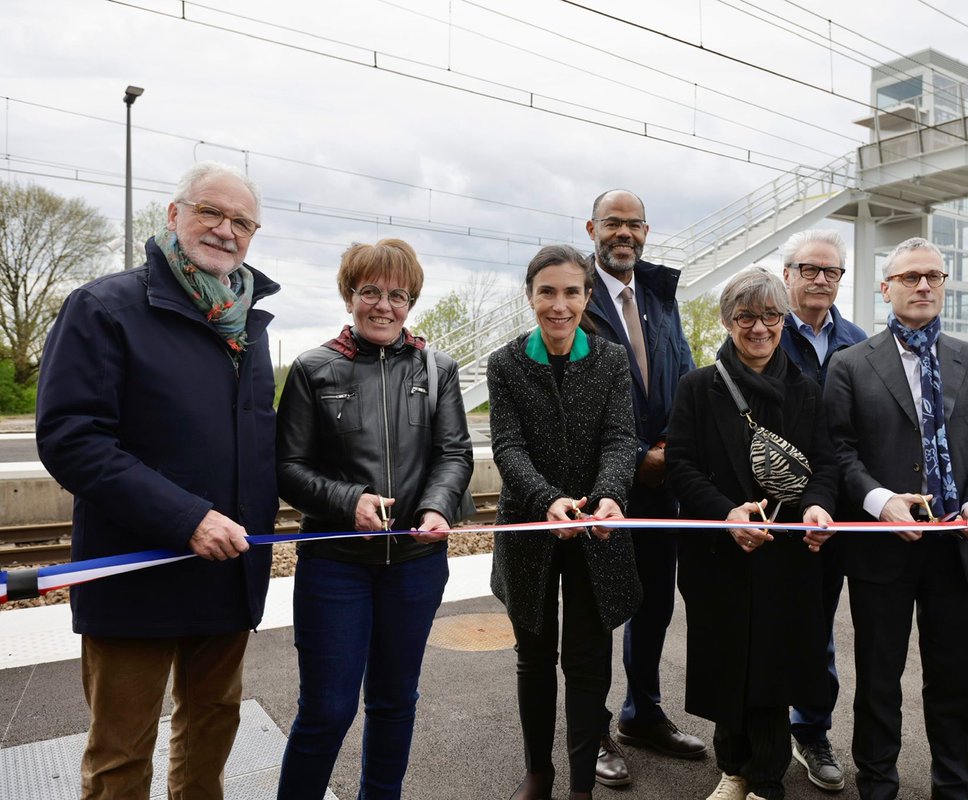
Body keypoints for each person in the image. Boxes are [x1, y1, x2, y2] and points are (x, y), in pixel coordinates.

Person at [35, 161, 278, 800]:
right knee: (121, 751)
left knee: (211, 733)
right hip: (135, 570)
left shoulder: (248, 325)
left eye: (241, 221)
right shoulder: (105, 307)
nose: (225, 230)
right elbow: (72, 439)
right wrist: (186, 518)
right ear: (173, 215)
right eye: (210, 212)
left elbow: (257, 443)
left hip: (225, 574)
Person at [274, 238, 473, 799]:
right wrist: (348, 501)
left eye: (397, 295)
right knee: (327, 709)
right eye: (370, 292)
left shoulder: (438, 368)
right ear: (349, 296)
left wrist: (437, 506)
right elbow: (286, 467)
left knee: (393, 701)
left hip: (414, 565)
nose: (383, 306)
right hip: (335, 566)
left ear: (410, 302)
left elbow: (454, 453)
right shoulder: (314, 368)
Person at [823, 237, 968, 800]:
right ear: (886, 287)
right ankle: (877, 785)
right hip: (882, 547)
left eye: (934, 275)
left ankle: (952, 787)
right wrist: (879, 500)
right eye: (911, 277)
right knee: (879, 682)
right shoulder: (850, 364)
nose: (925, 285)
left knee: (954, 684)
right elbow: (839, 449)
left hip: (959, 546)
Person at [668, 267, 838, 800]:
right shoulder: (699, 386)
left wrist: (815, 508)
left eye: (770, 316)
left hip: (786, 556)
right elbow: (681, 463)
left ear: (785, 322)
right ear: (727, 321)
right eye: (745, 317)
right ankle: (733, 769)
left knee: (773, 668)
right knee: (725, 664)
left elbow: (827, 466)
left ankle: (765, 779)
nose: (759, 327)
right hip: (719, 552)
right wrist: (726, 514)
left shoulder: (807, 393)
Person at [488, 244, 641, 800]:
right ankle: (539, 773)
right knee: (533, 657)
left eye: (571, 291)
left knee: (586, 660)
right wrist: (546, 499)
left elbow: (620, 439)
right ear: (530, 296)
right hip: (531, 530)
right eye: (547, 292)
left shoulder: (610, 360)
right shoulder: (505, 363)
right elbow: (507, 446)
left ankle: (580, 785)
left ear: (587, 296)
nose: (559, 304)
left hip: (597, 533)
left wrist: (607, 496)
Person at [583, 188, 703, 786]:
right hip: (602, 483)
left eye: (634, 225)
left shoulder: (660, 295)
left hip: (663, 483)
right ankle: (594, 726)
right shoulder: (573, 295)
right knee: (600, 609)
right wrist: (636, 457)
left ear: (647, 232)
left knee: (655, 603)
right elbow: (574, 400)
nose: (623, 234)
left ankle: (642, 712)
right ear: (592, 228)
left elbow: (680, 375)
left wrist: (671, 452)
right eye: (613, 224)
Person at [777, 228, 867, 793]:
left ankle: (811, 731)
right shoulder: (758, 324)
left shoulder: (859, 342)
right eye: (809, 269)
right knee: (758, 623)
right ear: (787, 274)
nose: (819, 279)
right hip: (766, 508)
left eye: (830, 272)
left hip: (831, 511)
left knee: (816, 630)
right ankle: (756, 735)